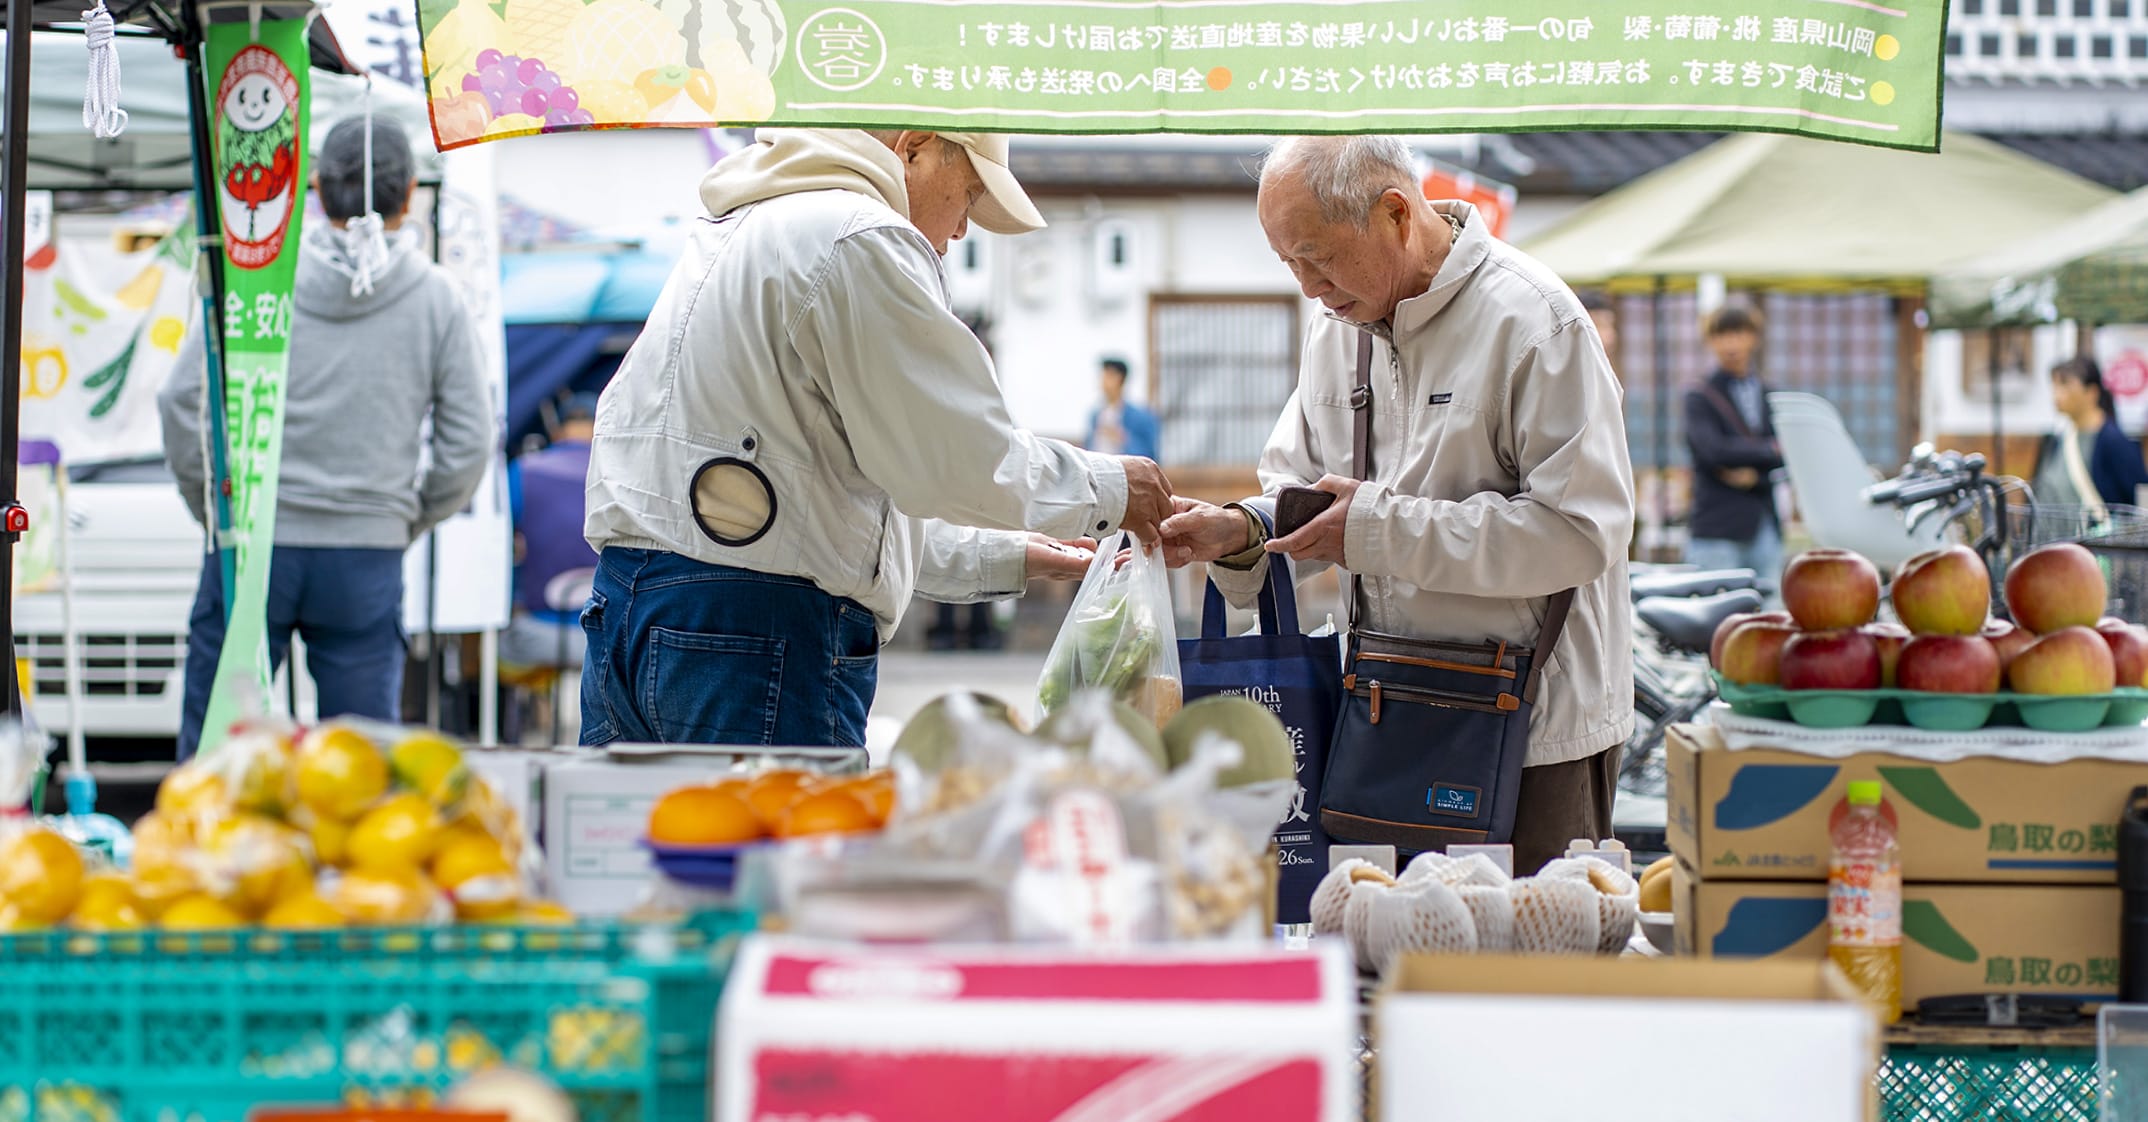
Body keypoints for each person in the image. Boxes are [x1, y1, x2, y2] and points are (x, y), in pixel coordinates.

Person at [580, 128, 1172, 748]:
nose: (963, 229)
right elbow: (955, 456)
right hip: (751, 628)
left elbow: (831, 507)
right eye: (968, 195)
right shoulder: (859, 235)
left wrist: (1015, 553)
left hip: (627, 606)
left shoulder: (747, 227)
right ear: (913, 150)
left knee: (643, 840)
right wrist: (1108, 488)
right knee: (779, 844)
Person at [1160, 137, 1636, 874]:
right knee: (1384, 967)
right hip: (1382, 710)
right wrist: (1246, 530)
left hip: (1535, 734)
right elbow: (1296, 487)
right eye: (1288, 264)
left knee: (1528, 972)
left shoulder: (1535, 322)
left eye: (1318, 257)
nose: (1309, 286)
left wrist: (1378, 531)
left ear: (1395, 214)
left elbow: (1579, 533)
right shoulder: (1337, 329)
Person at [160, 116, 493, 758]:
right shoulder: (436, 297)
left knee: (218, 760)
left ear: (313, 188)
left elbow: (181, 401)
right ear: (408, 197)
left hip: (253, 543)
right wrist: (405, 516)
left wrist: (215, 507)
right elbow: (470, 442)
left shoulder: (252, 278)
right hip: (366, 552)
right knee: (358, 769)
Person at [502, 392, 600, 676]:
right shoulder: (626, 474)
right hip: (611, 641)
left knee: (495, 644)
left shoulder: (522, 471)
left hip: (537, 636)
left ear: (557, 430)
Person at [1683, 305, 1783, 581]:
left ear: (1754, 337)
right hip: (1717, 527)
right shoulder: (1700, 395)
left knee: (1768, 614)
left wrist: (1754, 475)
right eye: (1722, 335)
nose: (1731, 344)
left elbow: (1789, 452)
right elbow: (1711, 450)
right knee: (1717, 614)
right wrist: (1768, 450)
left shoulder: (1770, 392)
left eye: (1738, 334)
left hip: (1764, 524)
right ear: (1710, 341)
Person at [2048, 356, 2148, 509]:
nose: (2057, 394)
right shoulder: (2060, 437)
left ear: (2091, 392)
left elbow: (2136, 499)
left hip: (2098, 531)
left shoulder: (2113, 441)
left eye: (2065, 385)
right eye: (2054, 386)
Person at [1084, 358, 1161, 460]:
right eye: (1103, 376)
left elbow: (1150, 454)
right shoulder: (1095, 415)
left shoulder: (1141, 417)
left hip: (1124, 471)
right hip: (1098, 471)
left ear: (1121, 379)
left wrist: (1122, 438)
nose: (1103, 381)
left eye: (1109, 376)